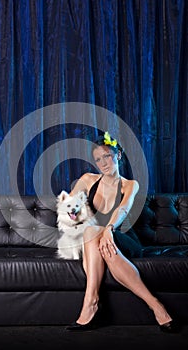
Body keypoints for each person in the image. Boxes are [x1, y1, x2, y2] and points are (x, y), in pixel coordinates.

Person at [66, 131, 178, 332]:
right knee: (92, 231)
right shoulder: (88, 179)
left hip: (124, 238)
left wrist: (109, 228)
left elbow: (124, 208)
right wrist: (74, 211)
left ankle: (91, 303)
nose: (103, 163)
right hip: (92, 240)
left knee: (97, 233)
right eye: (98, 159)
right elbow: (70, 205)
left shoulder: (130, 185)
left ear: (118, 155)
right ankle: (157, 307)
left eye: (107, 156)